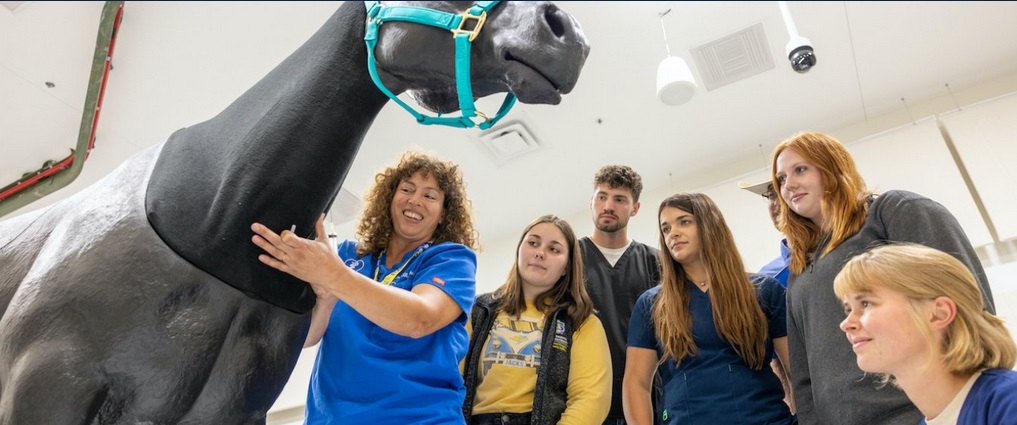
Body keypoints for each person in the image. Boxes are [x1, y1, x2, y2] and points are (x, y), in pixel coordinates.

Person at [770, 131, 997, 425]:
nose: (790, 185)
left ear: (832, 167)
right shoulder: (799, 271)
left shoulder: (890, 212)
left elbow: (966, 301)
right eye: (781, 179)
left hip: (922, 413)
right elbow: (803, 374)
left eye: (800, 169)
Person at [250, 150, 479, 424]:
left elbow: (419, 319)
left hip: (419, 417)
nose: (415, 200)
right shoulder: (345, 256)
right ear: (390, 198)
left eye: (430, 196)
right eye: (407, 189)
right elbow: (306, 338)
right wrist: (325, 298)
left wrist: (334, 275)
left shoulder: (451, 259)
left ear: (443, 214)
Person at [623, 192, 794, 425]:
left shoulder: (764, 291)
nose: (673, 233)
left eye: (684, 221)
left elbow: (797, 371)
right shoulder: (651, 304)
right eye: (665, 228)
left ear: (709, 225)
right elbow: (636, 384)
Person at [835, 243, 1017, 425]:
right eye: (848, 309)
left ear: (939, 313)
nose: (845, 324)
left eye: (866, 304)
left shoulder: (1009, 401)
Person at [461, 214, 612, 425]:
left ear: (567, 267)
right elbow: (449, 379)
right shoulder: (478, 310)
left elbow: (591, 399)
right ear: (519, 250)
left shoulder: (581, 322)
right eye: (533, 243)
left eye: (554, 249)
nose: (540, 253)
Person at [580, 165, 662, 425]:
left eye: (619, 199)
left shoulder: (656, 262)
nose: (608, 205)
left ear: (635, 208)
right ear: (591, 201)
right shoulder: (569, 258)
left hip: (649, 402)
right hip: (585, 400)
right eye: (602, 196)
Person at [739, 179, 795, 414]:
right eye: (771, 195)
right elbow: (773, 358)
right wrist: (793, 406)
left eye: (784, 190)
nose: (777, 202)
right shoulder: (767, 280)